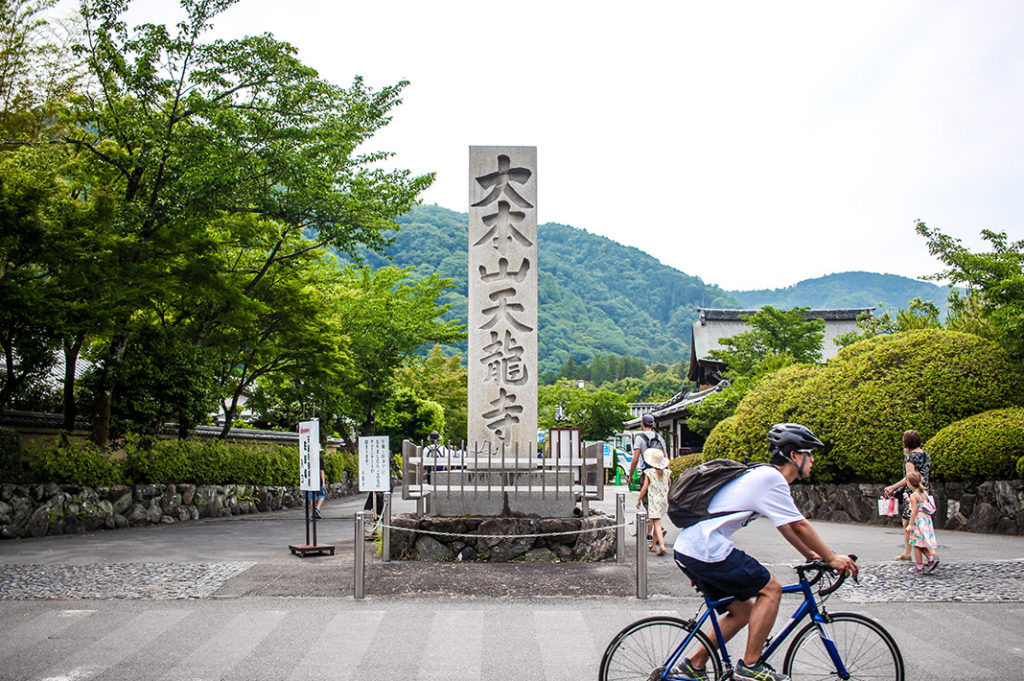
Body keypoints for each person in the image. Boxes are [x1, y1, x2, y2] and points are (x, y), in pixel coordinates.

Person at [674, 423, 858, 681]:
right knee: (770, 589)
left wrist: (812, 556)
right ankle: (750, 666)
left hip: (693, 549)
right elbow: (800, 525)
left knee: (743, 611)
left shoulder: (765, 475)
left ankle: (694, 664)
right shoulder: (771, 479)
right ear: (794, 456)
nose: (813, 460)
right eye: (810, 453)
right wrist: (831, 558)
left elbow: (787, 527)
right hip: (706, 549)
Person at [883, 430, 931, 561]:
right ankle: (915, 553)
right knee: (922, 523)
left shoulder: (910, 457)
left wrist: (893, 487)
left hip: (912, 493)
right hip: (924, 491)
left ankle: (913, 553)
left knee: (909, 523)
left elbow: (909, 478)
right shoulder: (926, 455)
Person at [629, 413, 663, 541]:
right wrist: (668, 475)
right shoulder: (659, 437)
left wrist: (631, 474)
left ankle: (654, 530)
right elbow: (665, 455)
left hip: (648, 472)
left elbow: (635, 459)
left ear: (642, 424)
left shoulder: (640, 438)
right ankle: (654, 530)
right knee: (656, 501)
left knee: (647, 502)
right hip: (660, 472)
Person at [636, 446, 671, 555]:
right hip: (663, 500)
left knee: (656, 523)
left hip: (654, 500)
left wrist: (639, 499)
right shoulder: (666, 472)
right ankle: (653, 545)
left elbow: (644, 487)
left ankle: (662, 546)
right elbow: (669, 484)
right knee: (657, 521)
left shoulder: (649, 472)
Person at [905, 470, 939, 573]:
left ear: (910, 484)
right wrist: (909, 500)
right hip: (925, 520)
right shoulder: (924, 493)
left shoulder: (913, 496)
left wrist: (910, 524)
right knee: (922, 543)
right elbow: (919, 505)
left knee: (916, 544)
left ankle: (919, 566)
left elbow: (914, 510)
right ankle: (931, 558)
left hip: (918, 521)